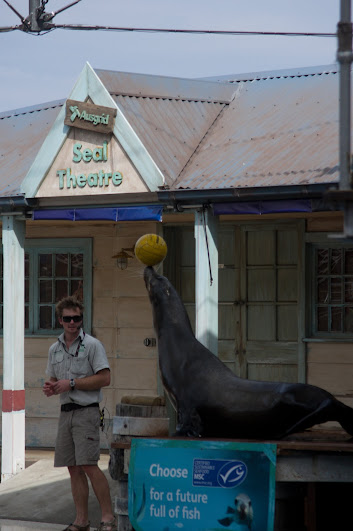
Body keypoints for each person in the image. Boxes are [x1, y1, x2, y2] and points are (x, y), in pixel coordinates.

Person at [43, 296, 116, 531]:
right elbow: (54, 379)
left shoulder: (93, 345)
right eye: (68, 318)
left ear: (81, 319)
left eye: (77, 318)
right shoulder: (54, 349)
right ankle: (81, 521)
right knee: (72, 467)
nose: (72, 322)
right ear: (60, 320)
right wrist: (51, 387)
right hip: (66, 413)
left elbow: (105, 378)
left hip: (86, 412)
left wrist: (72, 383)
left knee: (89, 465)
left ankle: (107, 518)